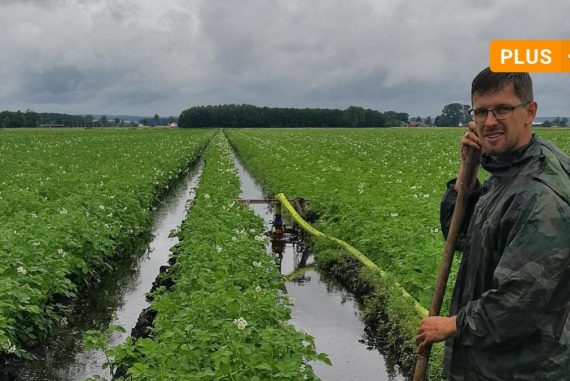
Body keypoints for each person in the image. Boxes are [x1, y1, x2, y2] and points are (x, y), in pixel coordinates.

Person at [415, 67, 570, 380]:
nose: (489, 122)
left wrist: (453, 324)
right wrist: (466, 174)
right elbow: (459, 238)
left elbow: (519, 303)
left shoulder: (539, 194)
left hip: (523, 368)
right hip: (491, 360)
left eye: (502, 109)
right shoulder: (509, 168)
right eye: (482, 111)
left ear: (530, 111)